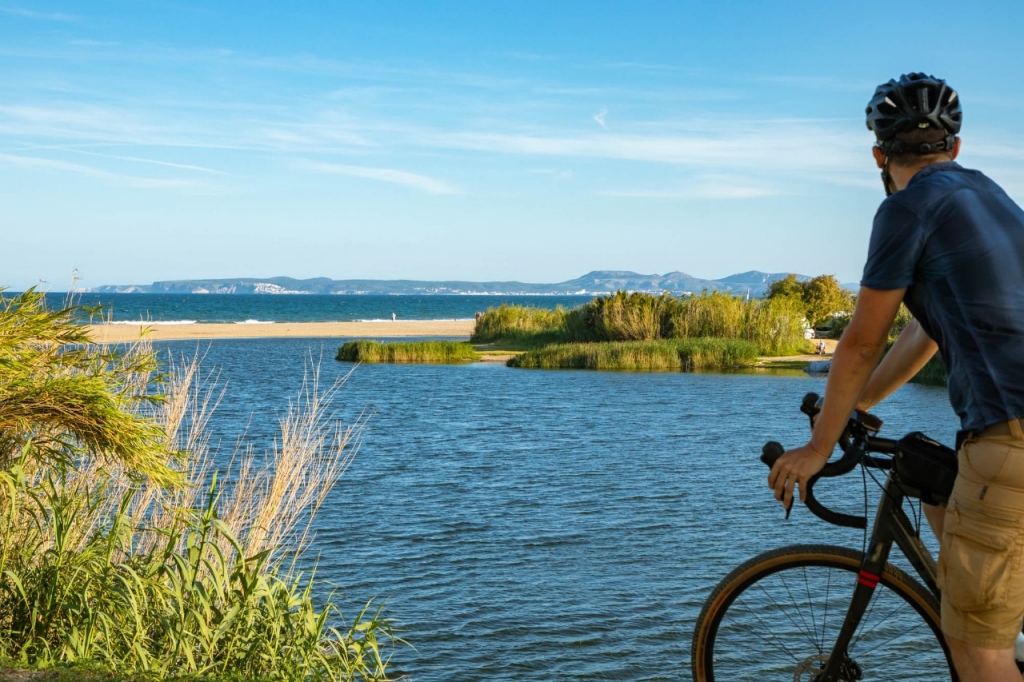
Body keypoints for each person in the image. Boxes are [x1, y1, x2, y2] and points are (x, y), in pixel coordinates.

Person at [767, 73, 1024, 681]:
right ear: (955, 149)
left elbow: (860, 341)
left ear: (879, 155)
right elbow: (926, 330)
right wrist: (864, 403)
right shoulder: (990, 196)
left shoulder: (905, 208)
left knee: (977, 652)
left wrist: (817, 446)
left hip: (1010, 438)